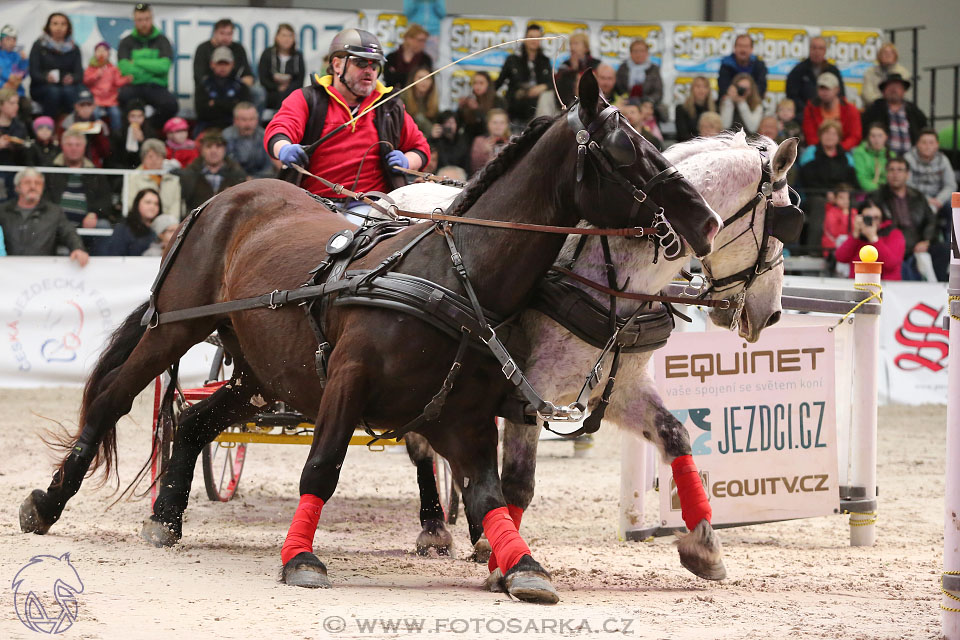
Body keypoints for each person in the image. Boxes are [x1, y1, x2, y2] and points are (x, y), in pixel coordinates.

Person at [264, 28, 429, 222]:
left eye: (375, 65)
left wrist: (406, 161)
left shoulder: (389, 106)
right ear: (337, 65)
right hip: (314, 204)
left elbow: (421, 149)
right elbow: (278, 131)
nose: (369, 71)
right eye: (361, 63)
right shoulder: (307, 98)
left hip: (370, 206)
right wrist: (284, 149)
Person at [0, 167, 88, 264]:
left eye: (38, 183)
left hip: (43, 272)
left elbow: (68, 232)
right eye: (27, 182)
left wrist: (78, 248)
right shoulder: (3, 211)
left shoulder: (54, 211)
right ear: (17, 187)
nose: (33, 186)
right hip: (8, 271)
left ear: (43, 187)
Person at [869, 156, 938, 280]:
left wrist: (926, 240)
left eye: (900, 170)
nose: (895, 174)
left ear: (908, 174)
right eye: (891, 170)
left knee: (942, 250)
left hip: (915, 243)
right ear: (886, 174)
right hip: (889, 243)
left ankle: (941, 291)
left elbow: (931, 220)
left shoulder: (918, 196)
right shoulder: (877, 197)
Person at [117, 3, 178, 129]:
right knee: (123, 98)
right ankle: (128, 136)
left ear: (152, 19)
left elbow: (164, 67)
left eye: (147, 19)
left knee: (171, 106)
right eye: (140, 20)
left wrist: (137, 62)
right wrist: (151, 69)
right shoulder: (126, 42)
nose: (144, 23)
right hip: (134, 86)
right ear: (134, 21)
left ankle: (148, 129)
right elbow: (124, 69)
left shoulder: (162, 40)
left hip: (156, 86)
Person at [799, 120, 856, 254]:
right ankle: (814, 251)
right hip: (815, 196)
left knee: (857, 204)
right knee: (820, 204)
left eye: (833, 133)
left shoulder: (846, 157)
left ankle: (852, 249)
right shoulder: (811, 153)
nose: (829, 136)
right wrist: (828, 194)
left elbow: (852, 181)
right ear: (820, 135)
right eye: (826, 133)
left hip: (842, 195)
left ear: (839, 137)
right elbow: (806, 179)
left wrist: (840, 195)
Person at [45, 130, 117, 230]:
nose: (73, 148)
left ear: (84, 147)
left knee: (103, 225)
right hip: (57, 225)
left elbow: (105, 201)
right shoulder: (50, 170)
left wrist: (93, 214)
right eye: (69, 144)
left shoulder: (95, 173)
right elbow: (45, 198)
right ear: (62, 146)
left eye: (78, 145)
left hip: (87, 225)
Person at [496, 23, 552, 125]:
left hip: (537, 105)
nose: (534, 40)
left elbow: (552, 82)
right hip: (516, 103)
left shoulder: (545, 61)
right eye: (531, 37)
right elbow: (499, 82)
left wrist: (542, 87)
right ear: (524, 39)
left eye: (537, 37)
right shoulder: (512, 60)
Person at [835, 197, 904, 280]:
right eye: (868, 218)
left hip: (886, 285)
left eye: (876, 218)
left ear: (882, 219)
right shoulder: (858, 236)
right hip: (859, 284)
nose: (872, 222)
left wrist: (874, 239)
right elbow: (841, 257)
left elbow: (891, 264)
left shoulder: (894, 234)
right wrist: (855, 235)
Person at [29, 13, 83, 118]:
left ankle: (70, 127)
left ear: (68, 27)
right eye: (55, 24)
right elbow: (34, 72)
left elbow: (79, 74)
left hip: (66, 86)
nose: (59, 27)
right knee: (53, 92)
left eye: (63, 24)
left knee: (69, 92)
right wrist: (45, 77)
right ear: (48, 26)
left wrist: (72, 78)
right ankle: (48, 127)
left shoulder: (74, 48)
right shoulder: (39, 45)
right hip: (42, 86)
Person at [177, 129, 246, 211]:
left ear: (225, 149)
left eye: (218, 146)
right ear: (201, 150)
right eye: (208, 146)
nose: (213, 151)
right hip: (197, 221)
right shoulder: (190, 173)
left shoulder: (237, 174)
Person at [860, 74, 928, 156]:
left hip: (911, 157)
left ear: (904, 91)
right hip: (883, 157)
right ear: (883, 92)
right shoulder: (874, 110)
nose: (894, 90)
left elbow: (924, 130)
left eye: (898, 87)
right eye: (890, 87)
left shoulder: (913, 110)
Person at [786, 36, 846, 119]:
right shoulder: (798, 70)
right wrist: (808, 110)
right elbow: (792, 95)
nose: (817, 51)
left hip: (830, 112)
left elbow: (841, 94)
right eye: (814, 48)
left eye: (820, 48)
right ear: (809, 50)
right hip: (804, 113)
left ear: (825, 51)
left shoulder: (833, 70)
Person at [195, 46, 252, 132]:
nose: (222, 67)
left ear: (232, 64)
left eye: (226, 64)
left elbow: (244, 111)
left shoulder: (241, 86)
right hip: (208, 127)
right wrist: (231, 104)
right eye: (219, 63)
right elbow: (201, 113)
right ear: (212, 64)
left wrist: (215, 103)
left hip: (234, 128)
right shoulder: (203, 86)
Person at [193, 19, 255, 96]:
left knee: (257, 91)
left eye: (229, 34)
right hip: (210, 88)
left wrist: (237, 85)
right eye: (222, 33)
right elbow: (199, 77)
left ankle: (248, 108)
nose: (225, 37)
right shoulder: (203, 49)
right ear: (214, 33)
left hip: (235, 88)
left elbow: (248, 76)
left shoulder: (239, 49)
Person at [802, 72, 861, 151]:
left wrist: (839, 149)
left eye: (828, 88)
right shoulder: (810, 109)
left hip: (844, 149)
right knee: (809, 151)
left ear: (837, 90)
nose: (824, 92)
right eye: (821, 88)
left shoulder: (850, 109)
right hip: (819, 150)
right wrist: (824, 150)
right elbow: (810, 136)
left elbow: (855, 136)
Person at [905, 128, 957, 216]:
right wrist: (927, 199)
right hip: (916, 197)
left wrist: (939, 200)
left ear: (937, 145)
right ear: (917, 144)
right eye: (924, 142)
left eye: (931, 143)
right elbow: (907, 185)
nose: (928, 146)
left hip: (939, 198)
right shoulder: (908, 159)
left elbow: (951, 185)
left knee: (954, 208)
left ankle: (952, 230)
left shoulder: (943, 160)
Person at [84, 41, 131, 133]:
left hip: (111, 99)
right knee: (94, 113)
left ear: (109, 53)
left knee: (116, 113)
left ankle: (116, 135)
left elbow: (117, 82)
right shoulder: (91, 68)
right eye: (98, 50)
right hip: (96, 99)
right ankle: (96, 135)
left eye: (104, 50)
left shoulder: (113, 69)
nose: (101, 53)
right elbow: (86, 81)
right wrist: (96, 74)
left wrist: (126, 79)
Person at [127, 138, 182, 217]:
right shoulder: (133, 177)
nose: (154, 160)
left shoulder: (173, 180)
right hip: (141, 222)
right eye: (150, 156)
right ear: (143, 158)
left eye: (158, 157)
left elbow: (175, 209)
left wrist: (170, 224)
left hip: (168, 224)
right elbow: (131, 205)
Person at [258, 23, 305, 112]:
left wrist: (287, 89)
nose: (287, 39)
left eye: (290, 36)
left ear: (294, 39)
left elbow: (300, 80)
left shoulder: (298, 56)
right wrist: (277, 88)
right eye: (283, 35)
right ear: (277, 37)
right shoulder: (267, 54)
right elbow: (263, 78)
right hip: (270, 91)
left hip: (290, 92)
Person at [223, 102, 275, 179]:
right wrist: (244, 179)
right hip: (235, 180)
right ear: (235, 121)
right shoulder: (226, 136)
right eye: (244, 120)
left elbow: (268, 167)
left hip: (259, 180)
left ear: (257, 120)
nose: (248, 124)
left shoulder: (264, 135)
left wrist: (254, 179)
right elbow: (229, 165)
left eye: (251, 119)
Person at [104, 187, 161, 256]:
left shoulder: (163, 229)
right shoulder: (123, 228)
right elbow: (115, 256)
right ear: (137, 204)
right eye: (148, 202)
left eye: (156, 204)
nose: (152, 206)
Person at [615, 38, 664, 111]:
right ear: (630, 53)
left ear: (647, 53)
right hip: (626, 104)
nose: (639, 54)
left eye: (642, 51)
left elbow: (658, 92)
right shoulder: (623, 68)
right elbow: (618, 88)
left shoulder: (654, 69)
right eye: (635, 51)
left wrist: (648, 101)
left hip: (647, 105)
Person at [457, 71, 506, 139]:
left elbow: (495, 125)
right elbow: (460, 125)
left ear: (488, 84)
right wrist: (460, 108)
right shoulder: (470, 100)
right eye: (475, 83)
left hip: (491, 139)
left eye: (481, 83)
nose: (477, 86)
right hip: (470, 140)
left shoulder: (497, 101)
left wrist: (477, 110)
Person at [110, 100, 157, 170]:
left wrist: (142, 141)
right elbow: (115, 158)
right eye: (133, 116)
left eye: (139, 116)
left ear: (144, 117)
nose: (136, 120)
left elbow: (152, 156)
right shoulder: (118, 133)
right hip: (122, 170)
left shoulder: (150, 133)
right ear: (127, 117)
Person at [717, 33, 767, 98]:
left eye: (746, 46)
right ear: (734, 48)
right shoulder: (726, 64)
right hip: (731, 100)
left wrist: (749, 94)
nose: (743, 50)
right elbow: (723, 88)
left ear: (751, 49)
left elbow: (761, 88)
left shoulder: (759, 65)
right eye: (740, 46)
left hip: (752, 101)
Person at [383, 23, 432, 89]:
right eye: (420, 40)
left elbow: (425, 82)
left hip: (414, 97)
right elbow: (388, 79)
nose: (423, 44)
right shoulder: (392, 57)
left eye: (424, 41)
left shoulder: (426, 59)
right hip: (392, 95)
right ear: (408, 39)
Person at [556, 32, 600, 107]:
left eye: (576, 44)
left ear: (586, 47)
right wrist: (573, 71)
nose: (572, 48)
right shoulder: (565, 65)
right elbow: (560, 88)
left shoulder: (596, 64)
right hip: (570, 102)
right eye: (571, 44)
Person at [861, 42, 910, 107]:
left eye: (891, 53)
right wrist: (882, 104)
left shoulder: (903, 73)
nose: (888, 55)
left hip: (897, 108)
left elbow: (906, 95)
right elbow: (866, 94)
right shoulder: (870, 72)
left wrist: (891, 104)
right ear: (879, 56)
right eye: (885, 53)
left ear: (895, 56)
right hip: (875, 108)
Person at [0, 86, 28, 198]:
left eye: (16, 103)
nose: (16, 107)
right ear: (1, 105)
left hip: (14, 174)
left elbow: (23, 157)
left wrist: (18, 146)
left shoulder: (20, 127)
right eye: (12, 103)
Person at [674, 76, 716, 142]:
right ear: (692, 89)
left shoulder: (715, 109)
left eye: (705, 87)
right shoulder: (681, 109)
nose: (701, 90)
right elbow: (682, 135)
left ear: (709, 90)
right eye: (698, 86)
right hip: (687, 146)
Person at [469, 108, 510, 175]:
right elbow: (474, 167)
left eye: (502, 122)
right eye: (495, 122)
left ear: (506, 125)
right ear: (488, 124)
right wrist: (487, 153)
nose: (498, 126)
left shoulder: (511, 142)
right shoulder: (479, 141)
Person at [852, 122, 890, 192]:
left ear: (886, 137)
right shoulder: (860, 153)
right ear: (868, 138)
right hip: (867, 193)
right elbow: (862, 179)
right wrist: (879, 191)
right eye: (873, 136)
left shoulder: (891, 155)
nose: (876, 139)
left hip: (887, 193)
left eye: (880, 136)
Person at [402, 67, 439, 137]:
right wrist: (429, 130)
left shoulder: (432, 101)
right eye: (420, 78)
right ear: (413, 79)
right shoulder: (403, 99)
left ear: (432, 82)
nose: (424, 81)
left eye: (427, 78)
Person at [822, 184, 853, 258]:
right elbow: (836, 232)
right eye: (841, 198)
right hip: (833, 248)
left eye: (848, 198)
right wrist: (845, 216)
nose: (845, 201)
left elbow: (854, 231)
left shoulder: (854, 212)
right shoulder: (831, 213)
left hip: (849, 247)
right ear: (835, 199)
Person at [0, 25, 28, 97]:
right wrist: (3, 84)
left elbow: (24, 74)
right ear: (0, 41)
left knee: (26, 106)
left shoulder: (18, 56)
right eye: (8, 39)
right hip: (2, 92)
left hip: (17, 92)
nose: (12, 42)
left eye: (14, 39)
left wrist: (24, 61)